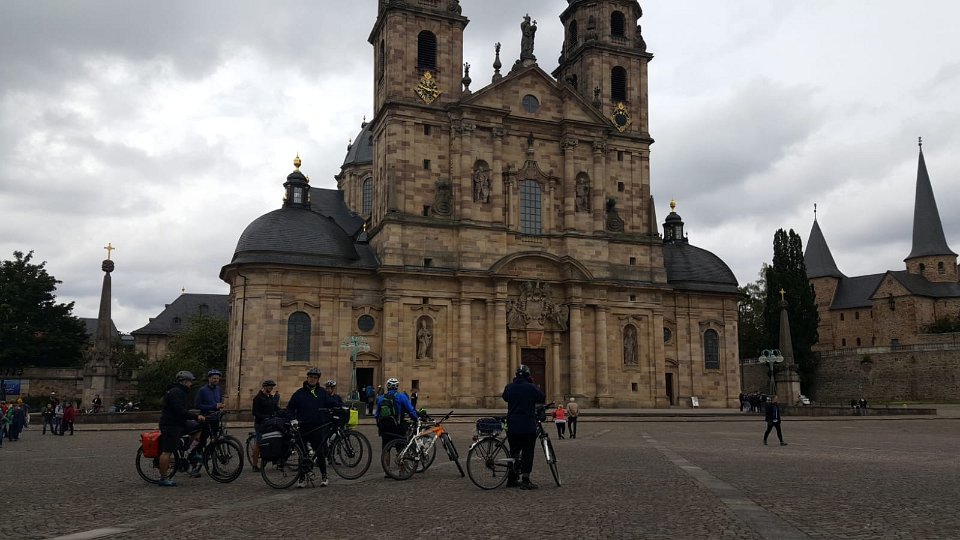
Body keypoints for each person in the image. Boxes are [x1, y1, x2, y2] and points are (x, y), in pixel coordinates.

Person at [287, 367, 335, 488]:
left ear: (318, 379)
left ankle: (324, 476)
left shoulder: (322, 392)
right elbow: (290, 408)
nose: (312, 379)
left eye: (315, 378)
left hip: (317, 427)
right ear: (307, 378)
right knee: (302, 454)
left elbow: (331, 403)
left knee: (320, 452)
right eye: (310, 377)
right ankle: (302, 478)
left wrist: (341, 407)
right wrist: (293, 419)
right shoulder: (299, 393)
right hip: (302, 427)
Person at [158, 371, 205, 487]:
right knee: (167, 451)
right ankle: (163, 478)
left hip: (180, 423)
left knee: (198, 427)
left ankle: (190, 451)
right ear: (184, 381)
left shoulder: (182, 392)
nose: (191, 384)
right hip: (170, 425)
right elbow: (180, 411)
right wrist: (196, 416)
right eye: (190, 381)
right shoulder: (175, 392)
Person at [502, 364, 545, 489]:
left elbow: (505, 397)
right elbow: (541, 397)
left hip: (512, 424)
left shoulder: (509, 387)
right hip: (527, 425)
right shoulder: (531, 387)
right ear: (528, 375)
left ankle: (511, 479)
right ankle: (526, 480)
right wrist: (532, 384)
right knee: (528, 451)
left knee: (514, 452)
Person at [375, 377, 418, 479]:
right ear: (397, 387)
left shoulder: (381, 398)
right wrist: (416, 418)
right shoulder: (401, 396)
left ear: (387, 387)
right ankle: (402, 470)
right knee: (401, 448)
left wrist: (380, 426)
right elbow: (410, 410)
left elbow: (376, 415)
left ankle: (387, 471)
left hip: (385, 428)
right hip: (397, 427)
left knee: (386, 449)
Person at [250, 379, 280, 471]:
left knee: (274, 440)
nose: (271, 388)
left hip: (269, 423)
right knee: (259, 443)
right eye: (270, 386)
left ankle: (275, 459)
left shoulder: (270, 397)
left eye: (272, 387)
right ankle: (254, 465)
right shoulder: (258, 398)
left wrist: (284, 412)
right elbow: (254, 412)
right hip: (260, 423)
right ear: (264, 387)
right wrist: (265, 417)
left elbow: (276, 408)